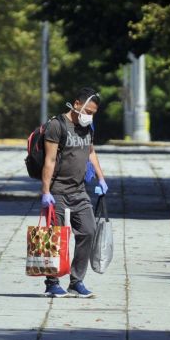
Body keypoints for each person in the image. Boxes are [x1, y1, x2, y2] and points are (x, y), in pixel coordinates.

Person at [41, 87, 108, 298]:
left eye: (93, 113)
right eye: (87, 110)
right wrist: (45, 191)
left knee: (88, 231)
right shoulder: (56, 126)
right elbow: (49, 160)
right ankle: (52, 282)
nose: (89, 115)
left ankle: (76, 281)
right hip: (58, 191)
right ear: (76, 104)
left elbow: (91, 151)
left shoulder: (88, 127)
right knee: (56, 237)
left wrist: (101, 178)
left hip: (79, 191)